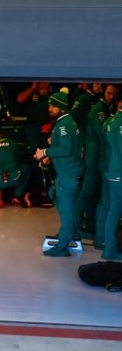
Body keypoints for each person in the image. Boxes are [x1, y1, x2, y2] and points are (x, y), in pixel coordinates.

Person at [34, 88, 84, 257]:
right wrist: (49, 159)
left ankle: (63, 246)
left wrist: (45, 153)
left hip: (68, 174)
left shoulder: (63, 125)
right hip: (67, 171)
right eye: (50, 105)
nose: (50, 108)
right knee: (55, 196)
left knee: (67, 210)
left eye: (54, 106)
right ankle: (70, 233)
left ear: (62, 108)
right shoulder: (68, 123)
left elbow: (67, 148)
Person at [74, 84, 118, 240]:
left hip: (99, 156)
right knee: (87, 191)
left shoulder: (106, 108)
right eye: (109, 93)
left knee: (94, 193)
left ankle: (91, 226)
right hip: (94, 157)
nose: (111, 96)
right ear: (104, 92)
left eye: (114, 94)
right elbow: (104, 135)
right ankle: (74, 226)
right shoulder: (99, 110)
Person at [100, 98, 122, 260]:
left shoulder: (110, 120)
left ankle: (109, 248)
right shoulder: (120, 122)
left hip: (111, 170)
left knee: (114, 210)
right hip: (119, 171)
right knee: (114, 209)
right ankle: (109, 249)